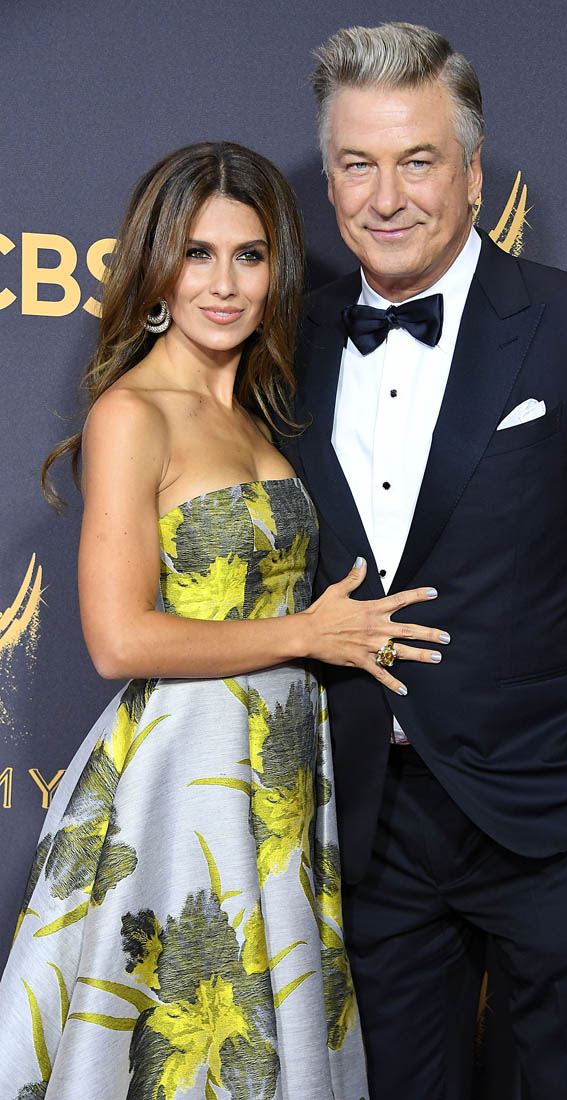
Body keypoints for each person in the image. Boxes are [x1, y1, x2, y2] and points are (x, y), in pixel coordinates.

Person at [287, 23, 567, 1100]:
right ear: (331, 179)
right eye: (357, 164)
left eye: (418, 160)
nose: (386, 197)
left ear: (473, 172)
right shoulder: (287, 340)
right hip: (364, 814)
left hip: (552, 801)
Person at [0, 141, 449, 1099]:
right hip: (186, 767)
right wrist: (308, 635)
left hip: (280, 763)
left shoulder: (261, 414)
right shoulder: (134, 412)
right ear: (158, 267)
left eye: (249, 256)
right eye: (197, 254)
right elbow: (118, 638)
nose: (224, 284)